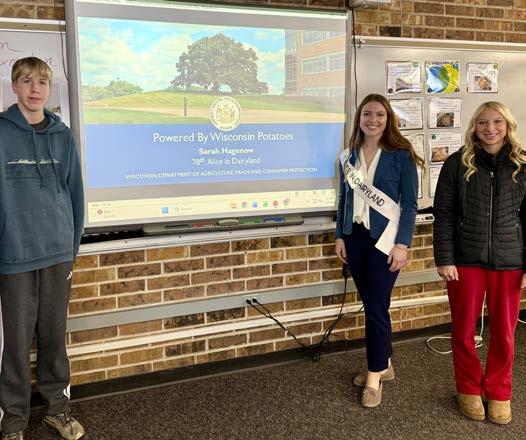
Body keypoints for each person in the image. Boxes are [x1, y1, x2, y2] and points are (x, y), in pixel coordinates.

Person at [0, 57, 85, 439]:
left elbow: (75, 194)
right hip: (14, 255)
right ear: (14, 86)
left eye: (42, 82)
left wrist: (71, 247)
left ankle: (57, 410)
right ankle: (13, 421)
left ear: (49, 89)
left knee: (54, 336)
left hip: (57, 253)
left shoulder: (62, 136)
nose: (35, 89)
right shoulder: (1, 132)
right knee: (16, 343)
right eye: (26, 81)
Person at [433, 101, 526, 425]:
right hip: (465, 261)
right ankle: (468, 389)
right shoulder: (457, 163)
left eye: (497, 122)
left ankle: (499, 392)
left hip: (510, 262)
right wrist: (445, 258)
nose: (490, 128)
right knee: (463, 331)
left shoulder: (522, 164)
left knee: (505, 334)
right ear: (474, 126)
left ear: (508, 125)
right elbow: (444, 215)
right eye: (483, 122)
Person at [335, 94, 422, 407]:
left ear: (388, 120)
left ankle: (374, 375)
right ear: (359, 118)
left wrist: (402, 245)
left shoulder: (401, 155)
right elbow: (343, 199)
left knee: (374, 307)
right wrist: (340, 236)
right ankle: (384, 362)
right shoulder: (348, 156)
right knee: (374, 304)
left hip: (386, 241)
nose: (373, 120)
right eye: (367, 114)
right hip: (355, 238)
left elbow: (409, 204)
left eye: (379, 115)